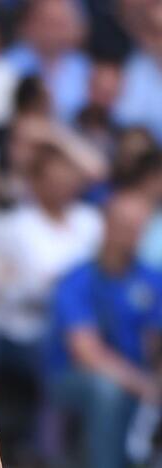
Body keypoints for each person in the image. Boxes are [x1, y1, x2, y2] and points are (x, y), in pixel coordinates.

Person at [46, 192, 162, 468]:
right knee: (106, 389)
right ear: (106, 224)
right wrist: (145, 385)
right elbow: (87, 353)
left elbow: (155, 343)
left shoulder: (152, 279)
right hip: (72, 376)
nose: (131, 233)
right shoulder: (77, 279)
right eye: (124, 225)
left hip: (138, 376)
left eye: (138, 227)